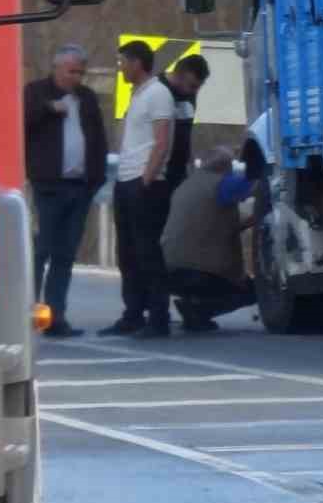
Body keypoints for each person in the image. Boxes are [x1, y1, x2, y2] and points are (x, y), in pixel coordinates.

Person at [24, 44, 107, 338]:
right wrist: (49, 109)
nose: (76, 77)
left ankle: (56, 317)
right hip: (49, 185)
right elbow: (20, 122)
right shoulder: (36, 92)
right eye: (72, 71)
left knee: (65, 254)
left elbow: (98, 138)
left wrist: (95, 180)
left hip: (80, 186)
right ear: (56, 68)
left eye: (80, 72)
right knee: (42, 250)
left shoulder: (86, 98)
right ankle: (30, 313)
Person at [100, 40, 176, 339]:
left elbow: (162, 141)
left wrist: (147, 177)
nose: (120, 68)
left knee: (148, 253)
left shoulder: (158, 94)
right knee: (127, 253)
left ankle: (158, 318)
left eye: (123, 62)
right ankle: (132, 314)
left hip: (147, 183)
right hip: (125, 179)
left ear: (137, 63)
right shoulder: (137, 94)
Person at [162, 144, 258, 332]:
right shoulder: (224, 184)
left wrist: (247, 222)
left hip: (169, 270)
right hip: (202, 273)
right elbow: (261, 186)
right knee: (255, 290)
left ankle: (194, 303)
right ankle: (201, 309)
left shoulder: (184, 186)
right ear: (227, 167)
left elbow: (209, 226)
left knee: (199, 262)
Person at [160, 53, 211, 192]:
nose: (194, 91)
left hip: (179, 173)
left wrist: (191, 166)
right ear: (179, 75)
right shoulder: (157, 89)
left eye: (198, 87)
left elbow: (186, 134)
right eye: (192, 86)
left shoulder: (190, 94)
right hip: (158, 172)